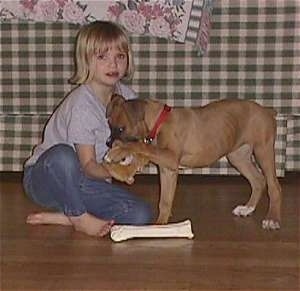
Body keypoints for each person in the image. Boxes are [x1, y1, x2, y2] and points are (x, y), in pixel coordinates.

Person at [23, 21, 153, 238]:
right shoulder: (82, 104)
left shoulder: (129, 98)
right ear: (86, 61)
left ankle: (68, 215)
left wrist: (135, 157)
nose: (113, 64)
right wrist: (115, 171)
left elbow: (137, 141)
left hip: (85, 184)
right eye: (102, 57)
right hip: (47, 179)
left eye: (119, 56)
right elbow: (88, 165)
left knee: (142, 214)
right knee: (64, 156)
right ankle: (80, 217)